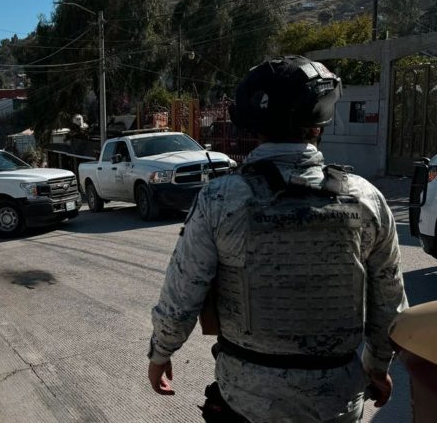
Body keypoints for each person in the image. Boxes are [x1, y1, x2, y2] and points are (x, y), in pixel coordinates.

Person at [147, 56, 408, 422]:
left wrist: (161, 353)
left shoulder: (220, 199)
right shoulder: (367, 200)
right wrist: (377, 366)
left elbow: (183, 293)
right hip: (337, 400)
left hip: (247, 397)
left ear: (253, 125)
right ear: (320, 122)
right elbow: (390, 304)